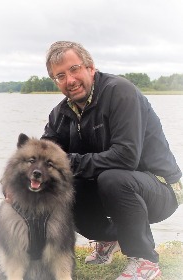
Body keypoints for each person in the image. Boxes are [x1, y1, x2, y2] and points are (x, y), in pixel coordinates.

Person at [41, 41, 183, 280]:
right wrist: (17, 178)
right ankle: (107, 238)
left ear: (90, 67)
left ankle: (145, 261)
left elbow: (127, 157)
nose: (70, 80)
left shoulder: (120, 92)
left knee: (112, 178)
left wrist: (66, 162)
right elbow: (43, 154)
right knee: (62, 186)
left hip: (161, 187)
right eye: (60, 76)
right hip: (113, 188)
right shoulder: (60, 114)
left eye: (74, 69)